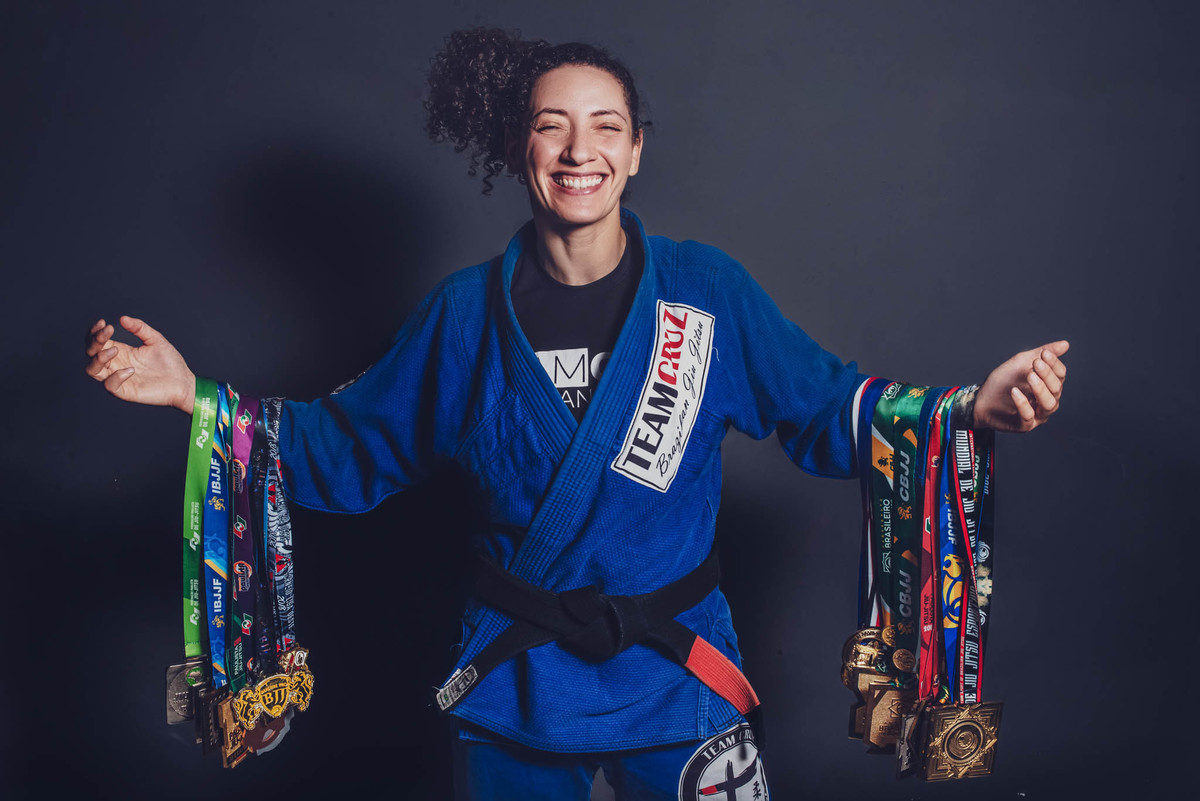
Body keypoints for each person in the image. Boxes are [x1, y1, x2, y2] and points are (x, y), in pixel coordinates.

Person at [84, 27, 1068, 801]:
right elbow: (345, 449)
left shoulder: (706, 295)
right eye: (552, 124)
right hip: (516, 682)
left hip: (680, 674)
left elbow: (827, 408)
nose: (578, 148)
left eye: (605, 125)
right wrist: (195, 397)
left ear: (635, 151)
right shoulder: (462, 315)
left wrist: (968, 409)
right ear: (521, 147)